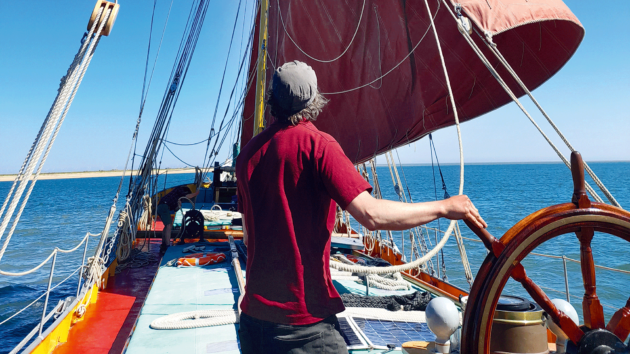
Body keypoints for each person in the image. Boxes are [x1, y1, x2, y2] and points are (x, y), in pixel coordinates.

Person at [235, 61, 486, 354]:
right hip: (305, 325)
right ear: (314, 100)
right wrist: (445, 207)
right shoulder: (320, 147)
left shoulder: (248, 154)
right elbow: (372, 215)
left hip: (254, 322)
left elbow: (250, 237)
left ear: (271, 100)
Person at [156, 185, 200, 254]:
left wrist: (179, 205)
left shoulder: (177, 197)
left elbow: (175, 209)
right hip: (164, 206)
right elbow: (187, 196)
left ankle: (164, 244)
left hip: (162, 207)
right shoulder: (179, 189)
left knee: (167, 225)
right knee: (169, 225)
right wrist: (196, 193)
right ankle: (167, 246)